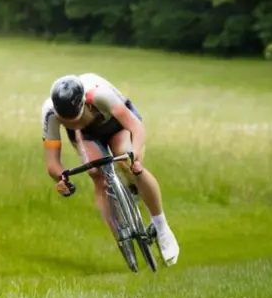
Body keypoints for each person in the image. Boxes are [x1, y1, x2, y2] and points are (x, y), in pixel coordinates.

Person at [41, 73, 180, 266]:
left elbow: (136, 128)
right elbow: (52, 163)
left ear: (84, 104)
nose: (73, 124)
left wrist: (136, 155)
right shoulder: (50, 113)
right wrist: (62, 179)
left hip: (116, 124)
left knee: (126, 158)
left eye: (77, 118)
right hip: (86, 136)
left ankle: (162, 229)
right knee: (96, 174)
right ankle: (120, 233)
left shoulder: (99, 95)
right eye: (67, 122)